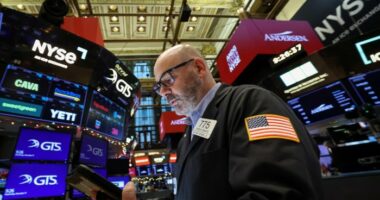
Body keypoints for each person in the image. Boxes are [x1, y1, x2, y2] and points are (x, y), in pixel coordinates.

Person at [122, 44, 324, 200]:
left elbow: (277, 193)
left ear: (199, 68)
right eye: (158, 87)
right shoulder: (187, 136)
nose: (164, 93)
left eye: (168, 80)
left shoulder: (250, 103)